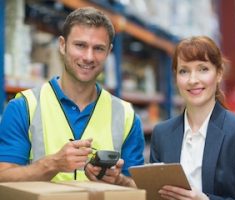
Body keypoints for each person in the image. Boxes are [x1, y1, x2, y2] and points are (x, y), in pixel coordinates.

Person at [0, 7, 144, 187]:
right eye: (80, 45)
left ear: (108, 52)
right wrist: (52, 164)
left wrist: (119, 180)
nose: (89, 57)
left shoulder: (126, 116)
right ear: (62, 45)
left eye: (98, 48)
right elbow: (3, 177)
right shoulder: (24, 107)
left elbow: (141, 188)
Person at [150, 36, 235, 200]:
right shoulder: (162, 134)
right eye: (184, 71)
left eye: (203, 69)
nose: (193, 80)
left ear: (219, 73)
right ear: (176, 77)